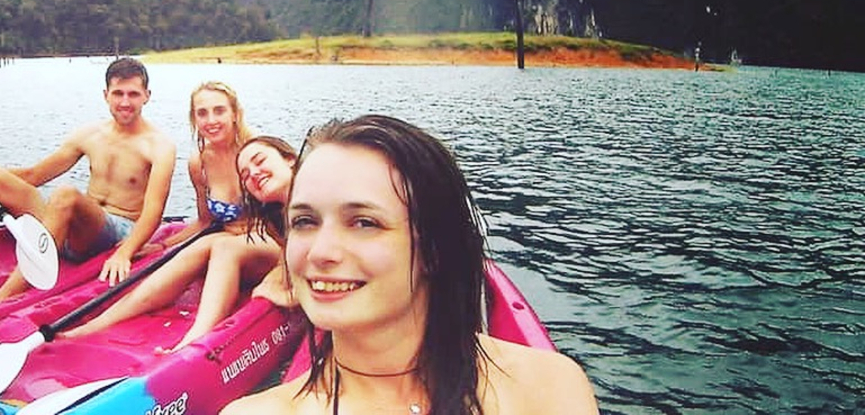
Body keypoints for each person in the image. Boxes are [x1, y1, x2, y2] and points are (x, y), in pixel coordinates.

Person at [222, 115, 598, 415]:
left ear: (434, 246)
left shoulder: (551, 387)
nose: (320, 253)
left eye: (364, 223)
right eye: (305, 222)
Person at [0, 57, 176, 301]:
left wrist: (126, 253)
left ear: (147, 96)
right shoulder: (90, 134)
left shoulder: (159, 146)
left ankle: (2, 297)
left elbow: (154, 211)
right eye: (118, 93)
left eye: (133, 94)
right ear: (105, 95)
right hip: (75, 228)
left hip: (119, 232)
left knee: (65, 194)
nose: (124, 102)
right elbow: (34, 175)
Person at [61, 134, 297, 353]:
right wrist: (164, 246)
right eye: (245, 175)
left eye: (260, 161)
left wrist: (277, 286)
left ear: (290, 160)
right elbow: (207, 222)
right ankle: (100, 322)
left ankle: (196, 338)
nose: (253, 173)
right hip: (262, 247)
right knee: (205, 244)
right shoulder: (269, 208)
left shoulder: (318, 199)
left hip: (275, 256)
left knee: (225, 247)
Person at [147, 80, 254, 251]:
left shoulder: (257, 152)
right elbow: (204, 221)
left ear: (235, 114)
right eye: (202, 113)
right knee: (184, 257)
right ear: (194, 119)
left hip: (264, 240)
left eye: (219, 111)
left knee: (221, 249)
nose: (211, 121)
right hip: (226, 240)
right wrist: (162, 246)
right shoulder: (199, 163)